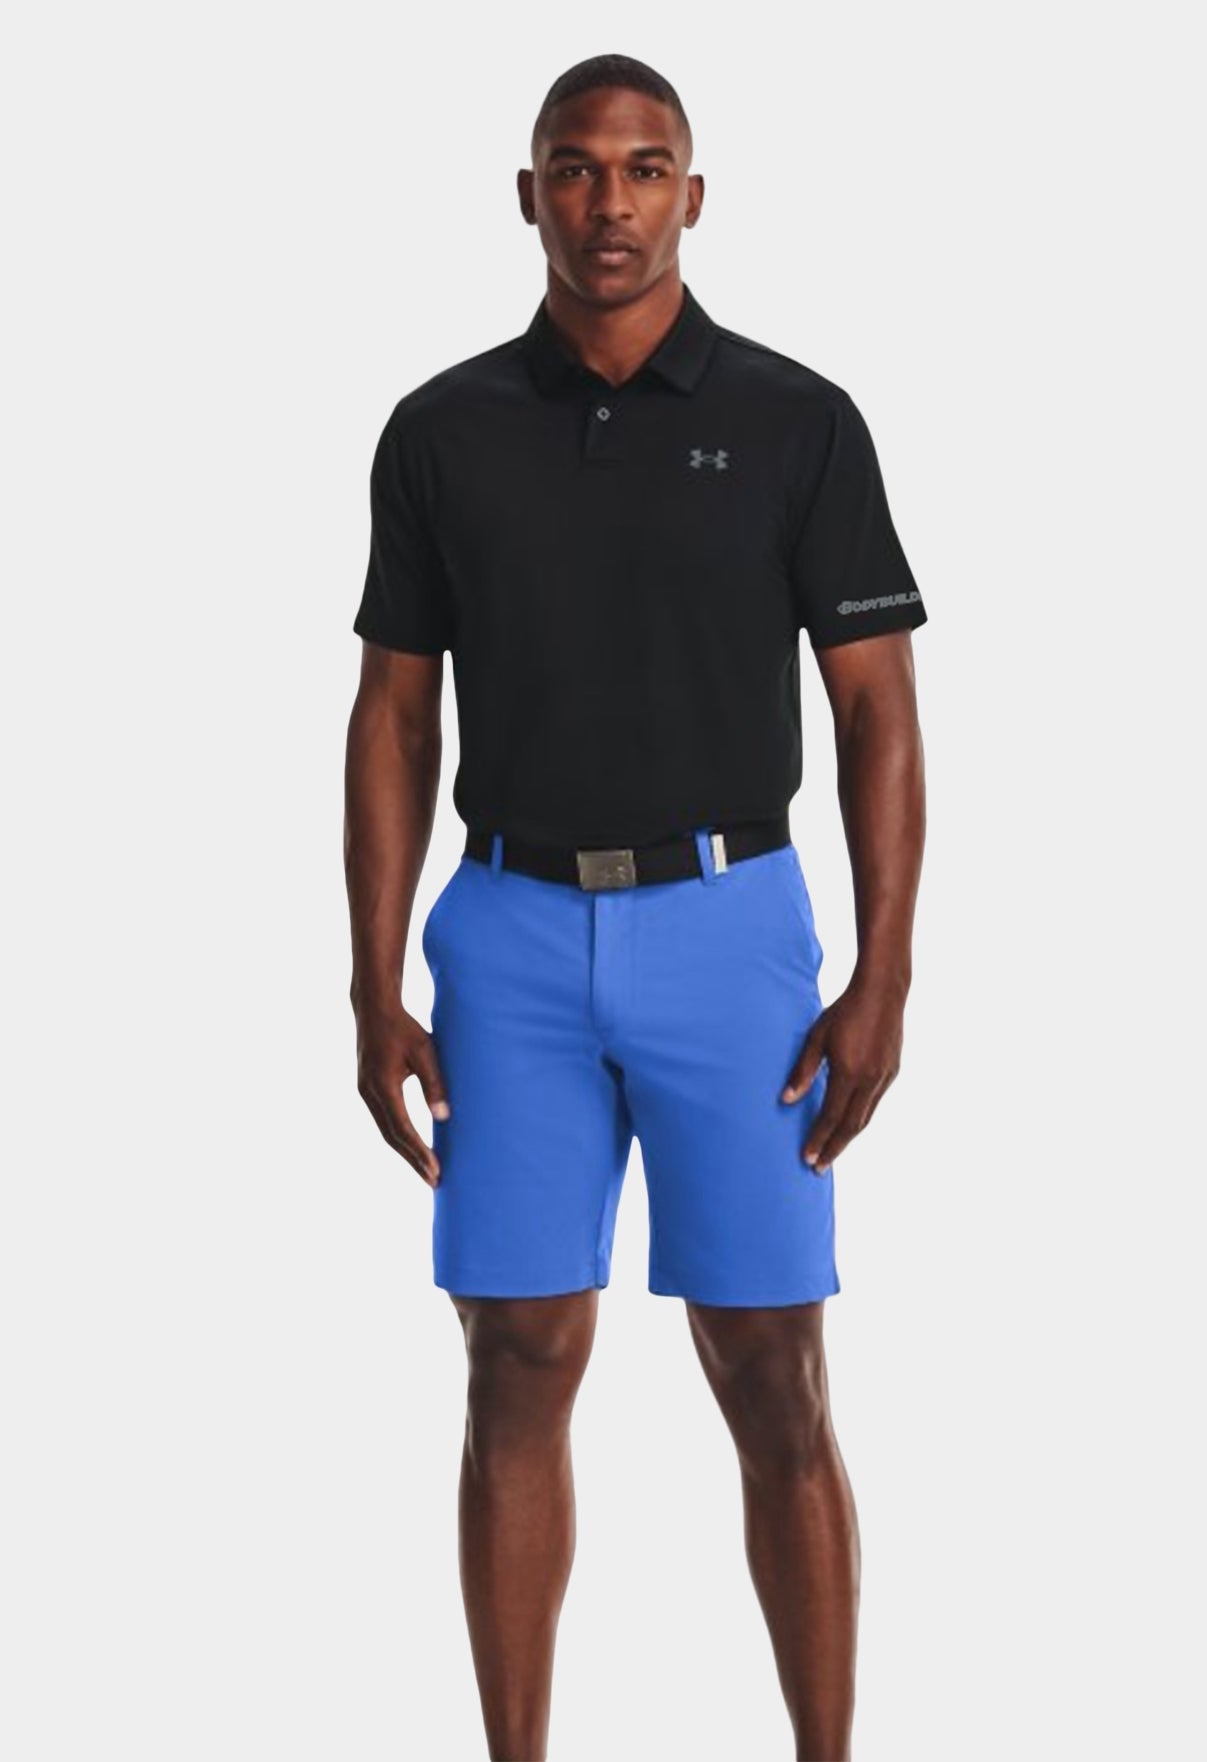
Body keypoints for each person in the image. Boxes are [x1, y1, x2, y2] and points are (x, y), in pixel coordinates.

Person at [344, 52, 927, 1762]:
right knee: (515, 1358)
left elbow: (878, 714)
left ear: (695, 194)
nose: (610, 202)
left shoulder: (800, 421)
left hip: (731, 929)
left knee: (774, 1370)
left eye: (645, 166)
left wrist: (885, 973)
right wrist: (371, 983)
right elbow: (394, 713)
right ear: (528, 194)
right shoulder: (441, 430)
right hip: (509, 933)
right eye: (577, 168)